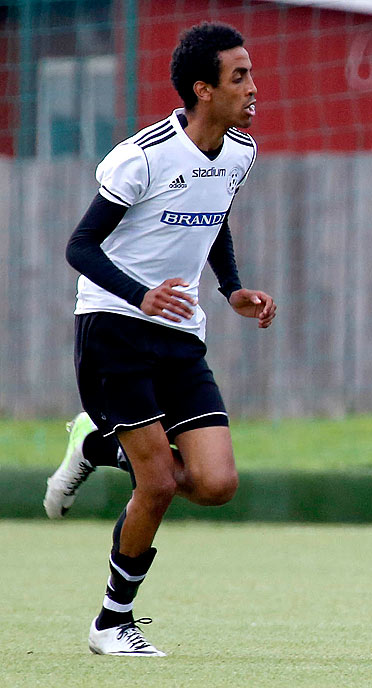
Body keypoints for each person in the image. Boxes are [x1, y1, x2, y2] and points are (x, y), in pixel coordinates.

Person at [43, 22, 276, 656]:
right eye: (240, 76)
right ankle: (111, 623)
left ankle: (95, 442)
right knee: (160, 484)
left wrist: (230, 287)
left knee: (217, 484)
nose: (254, 87)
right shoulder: (142, 156)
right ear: (203, 89)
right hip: (113, 331)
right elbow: (79, 246)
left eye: (251, 73)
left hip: (180, 335)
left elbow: (216, 217)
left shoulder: (239, 152)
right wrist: (138, 294)